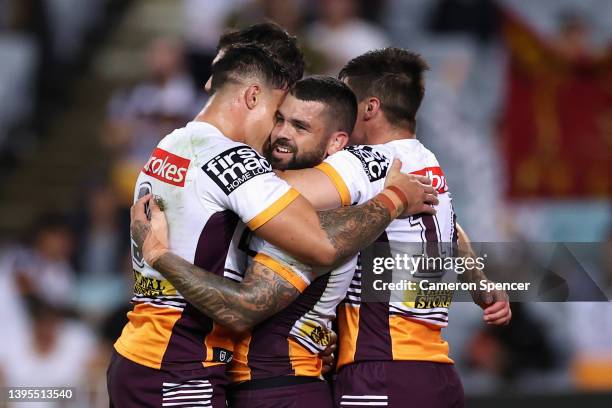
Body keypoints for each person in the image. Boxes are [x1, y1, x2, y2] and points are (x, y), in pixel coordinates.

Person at [109, 39, 436, 408]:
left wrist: (323, 337)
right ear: (252, 97)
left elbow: (247, 310)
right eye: (277, 116)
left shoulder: (171, 144)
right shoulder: (241, 170)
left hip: (184, 365)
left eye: (299, 125)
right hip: (181, 368)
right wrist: (394, 199)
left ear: (336, 144)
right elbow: (313, 250)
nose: (278, 132)